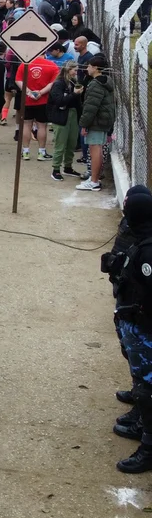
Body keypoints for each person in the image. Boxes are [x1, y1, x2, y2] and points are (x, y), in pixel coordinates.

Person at [109, 189, 152, 473]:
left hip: (144, 326)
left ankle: (149, 446)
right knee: (142, 382)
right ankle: (140, 412)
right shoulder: (138, 237)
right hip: (134, 323)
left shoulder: (148, 250)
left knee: (149, 389)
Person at [15, 46, 61, 162]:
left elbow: (18, 80)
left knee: (26, 125)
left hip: (28, 100)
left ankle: (25, 152)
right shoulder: (51, 65)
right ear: (45, 52)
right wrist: (40, 93)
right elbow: (53, 83)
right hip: (43, 100)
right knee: (42, 126)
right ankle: (41, 152)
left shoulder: (25, 64)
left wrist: (29, 92)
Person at [77, 53, 115, 192]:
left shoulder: (96, 84)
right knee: (97, 149)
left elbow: (91, 107)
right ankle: (94, 178)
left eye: (89, 66)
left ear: (95, 68)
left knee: (95, 150)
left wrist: (84, 124)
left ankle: (93, 181)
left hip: (97, 121)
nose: (87, 68)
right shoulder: (106, 81)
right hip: (104, 120)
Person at [47, 62, 85, 181]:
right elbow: (59, 101)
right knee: (60, 144)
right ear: (68, 70)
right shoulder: (58, 84)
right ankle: (56, 169)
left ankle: (68, 167)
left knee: (71, 143)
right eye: (74, 70)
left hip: (73, 115)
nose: (76, 72)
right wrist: (74, 94)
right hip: (62, 116)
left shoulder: (73, 82)